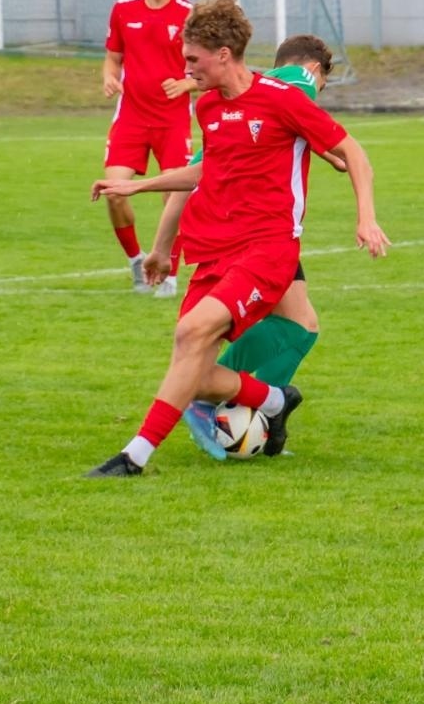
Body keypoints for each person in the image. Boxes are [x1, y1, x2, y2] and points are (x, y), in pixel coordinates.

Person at [85, 0, 389, 477]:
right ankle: (274, 400)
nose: (186, 69)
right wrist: (138, 186)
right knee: (197, 371)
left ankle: (133, 457)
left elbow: (353, 152)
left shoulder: (283, 97)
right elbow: (206, 171)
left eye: (192, 59)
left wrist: (365, 218)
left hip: (267, 249)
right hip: (214, 250)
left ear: (223, 53)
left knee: (192, 332)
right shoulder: (208, 108)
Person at [142, 35, 342, 461]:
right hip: (252, 236)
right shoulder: (299, 83)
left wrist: (162, 248)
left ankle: (250, 408)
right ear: (315, 70)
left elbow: (196, 174)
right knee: (298, 326)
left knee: (300, 321)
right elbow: (196, 175)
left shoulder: (255, 91)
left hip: (253, 229)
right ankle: (220, 398)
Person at [100, 0, 196, 298]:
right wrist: (109, 77)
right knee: (113, 193)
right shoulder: (123, 10)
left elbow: (205, 68)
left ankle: (168, 273)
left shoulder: (189, 14)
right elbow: (112, 58)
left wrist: (187, 82)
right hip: (131, 118)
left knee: (174, 197)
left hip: (173, 121)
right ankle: (136, 263)